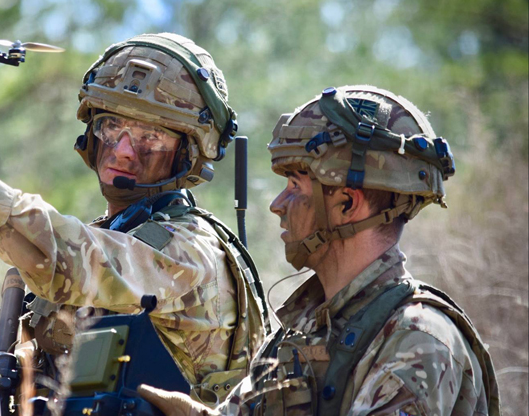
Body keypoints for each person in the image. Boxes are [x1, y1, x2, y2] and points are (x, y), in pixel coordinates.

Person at [0, 33, 270, 413]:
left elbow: (74, 259)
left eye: (149, 137)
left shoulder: (190, 248)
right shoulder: (118, 232)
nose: (123, 150)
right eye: (111, 127)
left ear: (187, 153)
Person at [138, 85, 500, 416]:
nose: (277, 205)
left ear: (347, 204)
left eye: (295, 186)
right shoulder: (305, 331)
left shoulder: (418, 338)